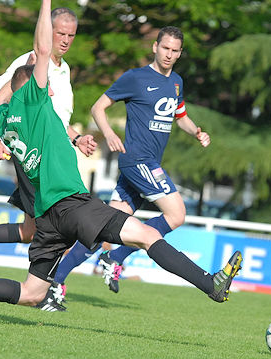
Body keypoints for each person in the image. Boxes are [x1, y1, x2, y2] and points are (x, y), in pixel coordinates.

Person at [0, 0, 242, 314]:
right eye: (44, 84)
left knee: (31, 293)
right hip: (71, 203)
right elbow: (41, 52)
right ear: (33, 88)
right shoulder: (37, 103)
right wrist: (45, 6)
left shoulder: (4, 118)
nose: (51, 88)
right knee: (147, 235)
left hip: (47, 217)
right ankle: (210, 283)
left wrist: (2, 122)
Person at [0, 6, 98, 310]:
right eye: (59, 33)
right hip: (36, 161)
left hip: (53, 158)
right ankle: (43, 293)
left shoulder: (63, 71)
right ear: (47, 31)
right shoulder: (31, 60)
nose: (65, 40)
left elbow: (53, 118)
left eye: (70, 35)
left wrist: (77, 138)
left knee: (31, 231)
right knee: (59, 224)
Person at [78, 25, 211, 294]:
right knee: (176, 214)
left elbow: (181, 117)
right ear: (155, 46)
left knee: (102, 226)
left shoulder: (176, 83)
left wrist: (196, 131)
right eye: (165, 48)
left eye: (174, 51)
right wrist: (108, 133)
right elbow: (97, 107)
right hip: (138, 161)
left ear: (180, 53)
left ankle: (56, 277)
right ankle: (116, 257)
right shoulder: (135, 78)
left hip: (144, 163)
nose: (169, 54)